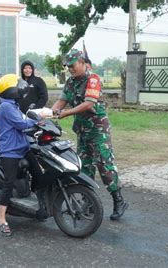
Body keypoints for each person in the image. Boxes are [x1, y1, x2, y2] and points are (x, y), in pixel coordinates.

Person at [51, 49, 128, 221]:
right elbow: (61, 101)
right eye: (68, 66)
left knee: (104, 165)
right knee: (84, 167)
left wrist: (65, 113)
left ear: (82, 62)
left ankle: (118, 200)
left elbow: (88, 104)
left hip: (98, 130)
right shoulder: (71, 82)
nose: (70, 69)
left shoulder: (92, 79)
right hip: (83, 129)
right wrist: (49, 112)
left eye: (72, 65)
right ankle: (88, 203)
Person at [0, 74, 43, 236]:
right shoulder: (6, 107)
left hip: (22, 146)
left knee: (38, 173)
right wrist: (38, 122)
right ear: (11, 91)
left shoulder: (13, 105)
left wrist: (38, 121)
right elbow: (21, 124)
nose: (22, 88)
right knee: (8, 183)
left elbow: (25, 119)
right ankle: (1, 218)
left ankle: (37, 203)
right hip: (9, 150)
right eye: (18, 86)